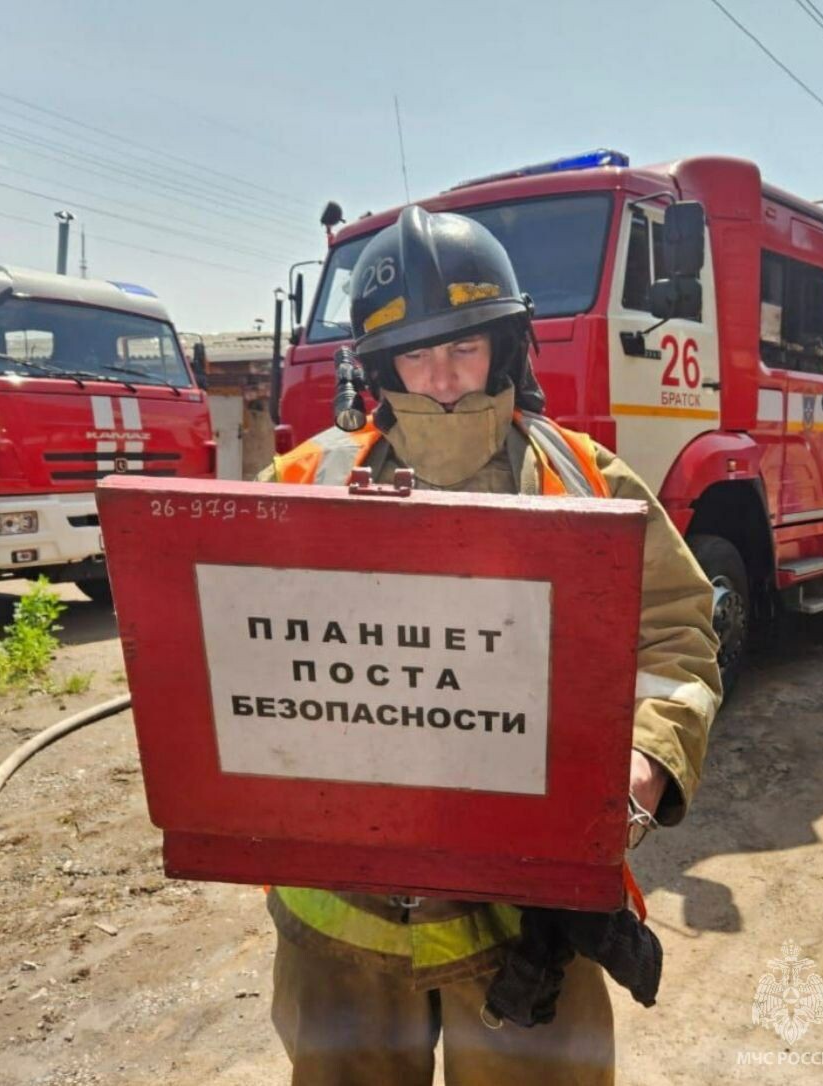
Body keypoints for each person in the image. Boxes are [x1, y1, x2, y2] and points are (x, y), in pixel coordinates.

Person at [257, 205, 722, 1085]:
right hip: (341, 924)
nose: (440, 379)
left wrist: (647, 759)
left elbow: (676, 632)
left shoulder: (586, 480)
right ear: (380, 365)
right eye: (414, 355)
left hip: (531, 913)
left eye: (464, 347)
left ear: (505, 346)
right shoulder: (304, 479)